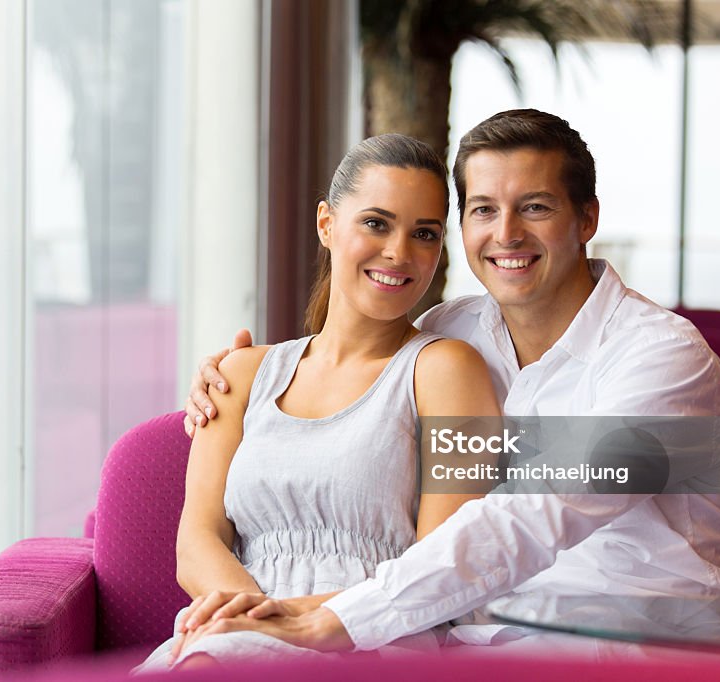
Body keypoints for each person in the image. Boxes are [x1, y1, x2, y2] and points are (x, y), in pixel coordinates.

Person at [177, 109, 720, 655]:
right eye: (483, 210)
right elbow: (354, 370)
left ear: (587, 219)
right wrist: (227, 378)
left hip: (631, 642)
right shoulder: (455, 332)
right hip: (479, 640)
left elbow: (540, 511)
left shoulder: (660, 356)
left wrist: (327, 619)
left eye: (535, 208)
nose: (507, 234)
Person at [132, 134, 499, 672]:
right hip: (227, 631)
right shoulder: (240, 374)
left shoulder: (446, 370)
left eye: (424, 234)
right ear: (327, 224)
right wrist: (255, 622)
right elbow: (197, 542)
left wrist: (288, 622)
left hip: (374, 633)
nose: (399, 252)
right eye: (376, 223)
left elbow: (437, 571)